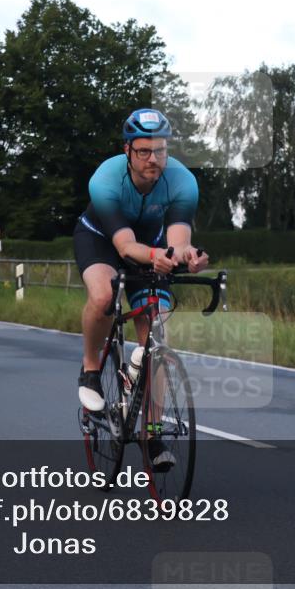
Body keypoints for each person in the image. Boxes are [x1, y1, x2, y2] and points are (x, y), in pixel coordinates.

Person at [73, 108, 209, 468]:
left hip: (150, 245)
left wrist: (188, 256)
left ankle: (152, 434)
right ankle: (90, 368)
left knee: (158, 332)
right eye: (144, 151)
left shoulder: (182, 181)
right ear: (128, 150)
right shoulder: (106, 178)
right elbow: (124, 247)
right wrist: (157, 255)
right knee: (104, 296)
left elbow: (178, 240)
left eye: (160, 150)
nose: (153, 159)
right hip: (102, 239)